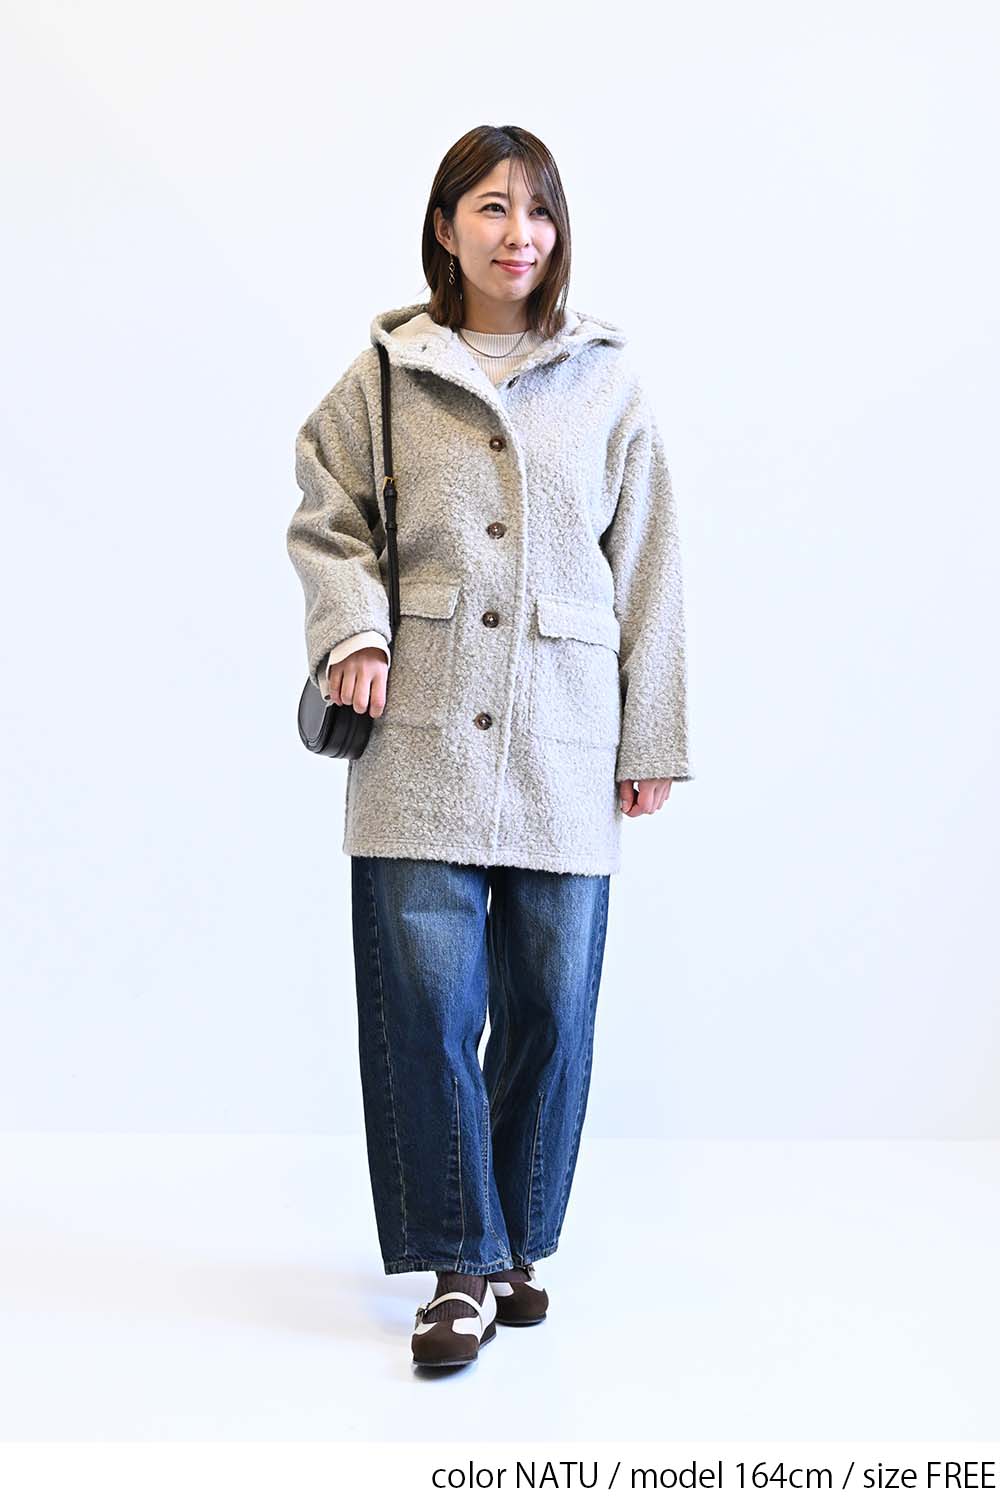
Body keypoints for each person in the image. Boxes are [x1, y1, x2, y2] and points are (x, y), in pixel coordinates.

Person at [286, 124, 694, 1371]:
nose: (521, 234)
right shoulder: (384, 374)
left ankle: (517, 1241)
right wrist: (352, 629)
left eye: (539, 211)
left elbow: (650, 566)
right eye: (492, 207)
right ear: (446, 226)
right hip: (418, 735)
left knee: (552, 1012)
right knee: (425, 1008)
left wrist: (652, 733)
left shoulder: (607, 380)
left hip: (566, 738)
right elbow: (328, 517)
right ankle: (457, 1266)